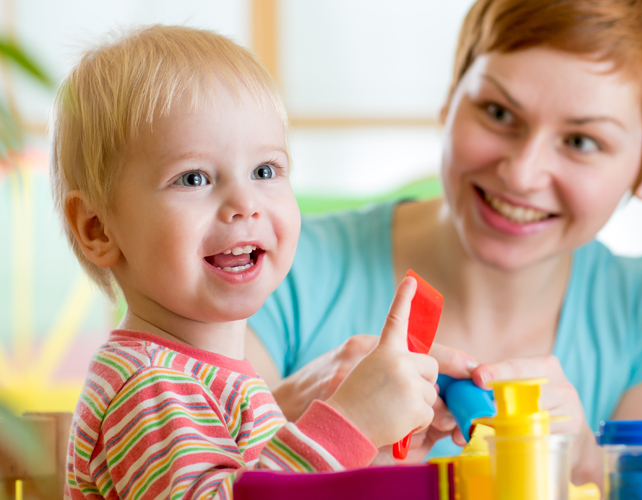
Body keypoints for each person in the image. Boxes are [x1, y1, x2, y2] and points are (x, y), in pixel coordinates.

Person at [247, 0, 642, 482]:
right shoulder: (276, 266)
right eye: (497, 112)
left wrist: (581, 461)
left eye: (581, 142)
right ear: (452, 95)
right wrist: (287, 415)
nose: (522, 172)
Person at [54, 26, 439, 499]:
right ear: (98, 228)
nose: (245, 202)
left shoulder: (213, 376)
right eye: (193, 177)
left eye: (264, 171)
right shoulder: (150, 385)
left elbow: (268, 482)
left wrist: (373, 449)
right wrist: (349, 425)